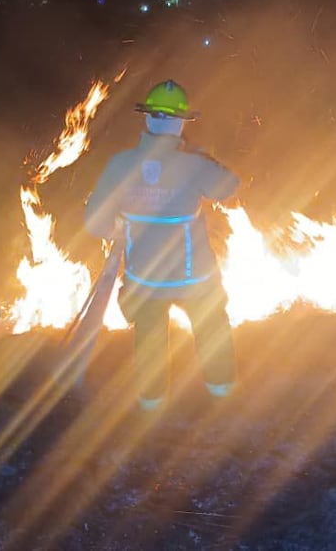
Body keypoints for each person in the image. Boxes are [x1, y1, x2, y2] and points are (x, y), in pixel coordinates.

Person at [84, 80, 240, 411]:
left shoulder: (120, 164)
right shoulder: (193, 164)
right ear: (182, 122)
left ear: (148, 119)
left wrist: (119, 229)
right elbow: (229, 186)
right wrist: (203, 156)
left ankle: (151, 406)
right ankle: (222, 396)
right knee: (212, 328)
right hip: (195, 278)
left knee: (150, 339)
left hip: (145, 279)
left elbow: (95, 223)